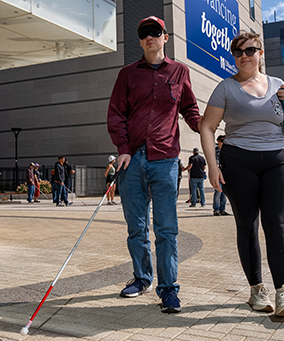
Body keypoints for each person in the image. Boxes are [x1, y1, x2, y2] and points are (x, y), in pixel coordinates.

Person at [199, 31, 284, 317]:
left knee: (276, 223)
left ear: (260, 53)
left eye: (249, 50)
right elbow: (206, 126)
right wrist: (213, 165)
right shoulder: (225, 88)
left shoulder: (278, 85)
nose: (243, 56)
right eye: (237, 52)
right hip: (238, 161)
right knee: (247, 225)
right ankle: (257, 289)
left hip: (277, 161)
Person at [107, 15, 201, 313]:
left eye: (155, 32)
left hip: (165, 160)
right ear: (140, 40)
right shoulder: (127, 74)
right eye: (144, 34)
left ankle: (169, 289)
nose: (150, 37)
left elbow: (189, 109)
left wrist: (207, 128)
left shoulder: (180, 72)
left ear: (165, 37)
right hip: (132, 161)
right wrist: (122, 148)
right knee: (136, 228)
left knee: (166, 229)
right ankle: (142, 278)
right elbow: (116, 114)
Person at [213, 136, 229, 216]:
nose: (223, 142)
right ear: (218, 141)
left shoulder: (226, 151)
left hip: (225, 173)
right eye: (222, 140)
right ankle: (216, 209)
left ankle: (222, 209)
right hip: (218, 173)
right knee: (218, 192)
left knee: (224, 193)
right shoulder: (215, 151)